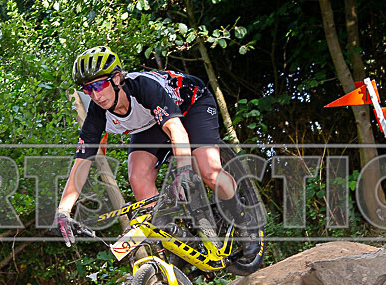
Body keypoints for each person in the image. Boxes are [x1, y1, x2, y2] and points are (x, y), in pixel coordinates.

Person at [54, 46, 259, 258]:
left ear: (116, 79)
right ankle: (177, 243)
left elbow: (175, 129)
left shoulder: (143, 87)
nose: (96, 95)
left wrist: (184, 170)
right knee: (138, 178)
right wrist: (63, 211)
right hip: (150, 123)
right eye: (88, 89)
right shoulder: (96, 115)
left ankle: (244, 219)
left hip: (191, 104)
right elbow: (81, 163)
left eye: (99, 85)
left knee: (208, 170)